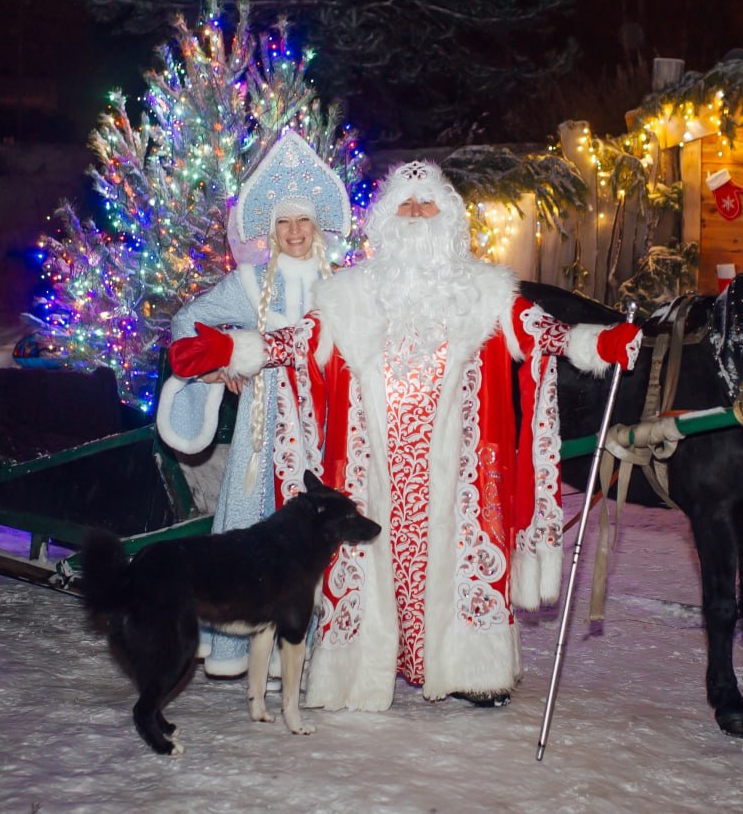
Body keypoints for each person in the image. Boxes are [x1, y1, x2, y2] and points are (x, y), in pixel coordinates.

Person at [168, 159, 642, 711]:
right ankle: (362, 671)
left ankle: (469, 669)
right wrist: (235, 349)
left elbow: (539, 330)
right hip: (371, 466)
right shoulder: (350, 292)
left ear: (448, 217)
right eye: (405, 205)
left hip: (458, 471)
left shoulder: (484, 290)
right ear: (386, 219)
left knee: (457, 568)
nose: (415, 214)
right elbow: (301, 340)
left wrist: (594, 342)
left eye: (426, 204)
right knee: (370, 568)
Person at [155, 131, 350, 679]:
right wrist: (217, 369)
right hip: (264, 427)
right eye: (284, 222)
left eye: (303, 221)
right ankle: (239, 648)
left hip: (326, 426)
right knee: (256, 528)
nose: (294, 232)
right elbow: (188, 321)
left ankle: (320, 652)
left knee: (323, 535)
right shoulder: (248, 284)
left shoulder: (342, 286)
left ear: (318, 226)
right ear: (270, 228)